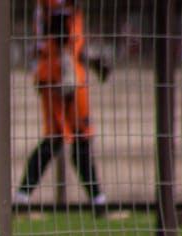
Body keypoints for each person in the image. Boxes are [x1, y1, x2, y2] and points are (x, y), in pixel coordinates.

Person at [14, 0, 113, 212]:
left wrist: (91, 59)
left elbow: (72, 38)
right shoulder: (56, 7)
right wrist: (66, 64)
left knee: (78, 137)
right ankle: (22, 199)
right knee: (57, 138)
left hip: (67, 73)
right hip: (57, 74)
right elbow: (58, 28)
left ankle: (98, 202)